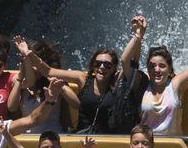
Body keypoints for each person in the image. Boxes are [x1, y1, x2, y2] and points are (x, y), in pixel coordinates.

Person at [13, 17, 145, 134]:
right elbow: (48, 71)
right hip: (83, 137)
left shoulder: (117, 81)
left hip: (108, 138)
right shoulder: (83, 78)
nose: (102, 68)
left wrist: (137, 36)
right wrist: (28, 53)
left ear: (113, 69)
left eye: (107, 65)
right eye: (98, 64)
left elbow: (129, 61)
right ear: (93, 66)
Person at [137, 16, 188, 135]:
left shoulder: (175, 85)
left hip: (173, 147)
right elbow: (128, 63)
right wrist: (138, 36)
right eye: (152, 66)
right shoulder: (141, 84)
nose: (156, 69)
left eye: (162, 66)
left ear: (170, 70)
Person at [6, 37, 79, 133]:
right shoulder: (20, 82)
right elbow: (12, 107)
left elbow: (76, 104)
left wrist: (60, 88)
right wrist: (20, 77)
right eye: (29, 64)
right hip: (28, 139)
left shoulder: (54, 81)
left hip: (53, 138)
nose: (33, 69)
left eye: (35, 65)